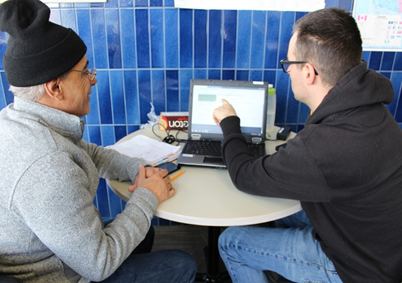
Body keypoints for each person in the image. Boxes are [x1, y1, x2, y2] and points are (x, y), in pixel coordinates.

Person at [0, 0, 197, 282]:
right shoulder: (47, 167)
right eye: (85, 72)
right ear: (55, 88)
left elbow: (89, 153)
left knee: (145, 232)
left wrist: (136, 169)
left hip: (55, 250)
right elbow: (98, 265)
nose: (92, 81)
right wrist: (148, 195)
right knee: (182, 264)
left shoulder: (18, 118)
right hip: (58, 274)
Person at [213, 8, 402, 283]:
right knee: (277, 215)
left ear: (309, 72)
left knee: (231, 242)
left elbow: (243, 175)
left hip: (358, 269)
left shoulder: (327, 144)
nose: (287, 70)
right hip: (381, 247)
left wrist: (229, 122)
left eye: (289, 64)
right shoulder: (371, 110)